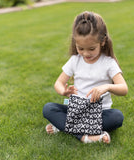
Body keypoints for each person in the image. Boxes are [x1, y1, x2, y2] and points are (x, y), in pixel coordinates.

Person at [43, 11, 128, 144]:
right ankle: (85, 137)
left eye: (91, 49)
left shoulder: (108, 63)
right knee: (48, 108)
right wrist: (63, 91)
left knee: (117, 117)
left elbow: (124, 89)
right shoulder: (74, 60)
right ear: (75, 43)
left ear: (103, 42)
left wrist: (107, 87)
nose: (86, 53)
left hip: (99, 113)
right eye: (80, 48)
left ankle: (64, 126)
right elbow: (59, 83)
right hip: (75, 111)